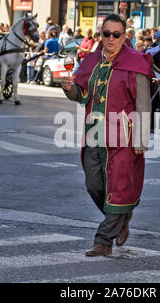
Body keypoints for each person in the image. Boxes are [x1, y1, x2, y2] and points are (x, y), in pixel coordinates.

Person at [61, 13, 153, 256]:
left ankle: (103, 241)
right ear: (100, 35)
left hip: (124, 134)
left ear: (124, 36)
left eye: (116, 34)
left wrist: (142, 139)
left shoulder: (136, 62)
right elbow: (82, 96)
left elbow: (143, 103)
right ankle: (120, 217)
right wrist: (70, 89)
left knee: (119, 187)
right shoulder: (91, 61)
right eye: (106, 34)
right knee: (93, 185)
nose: (110, 39)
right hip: (94, 132)